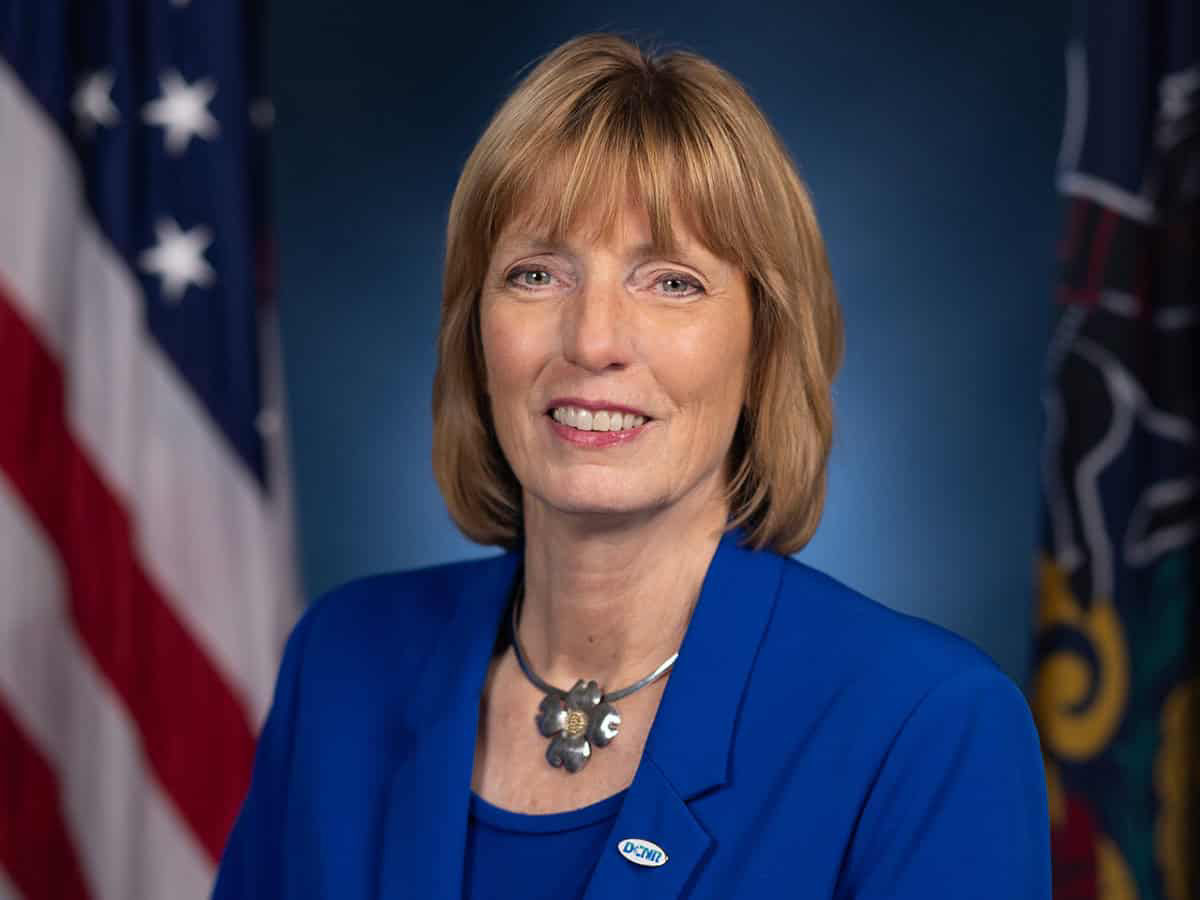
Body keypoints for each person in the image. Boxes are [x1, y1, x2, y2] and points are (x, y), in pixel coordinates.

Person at [213, 32, 1050, 899]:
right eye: (537, 275)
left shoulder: (926, 728)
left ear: (765, 348)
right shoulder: (342, 664)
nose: (593, 340)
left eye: (671, 282)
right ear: (475, 332)